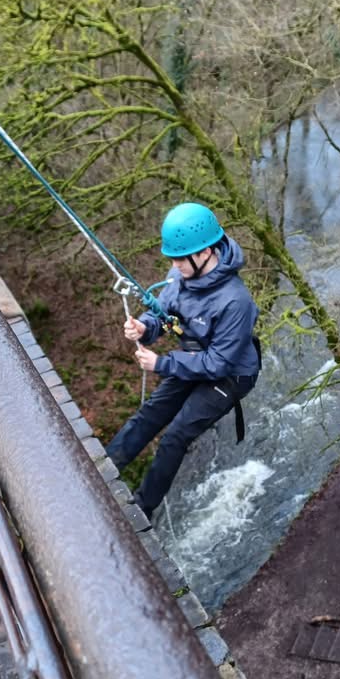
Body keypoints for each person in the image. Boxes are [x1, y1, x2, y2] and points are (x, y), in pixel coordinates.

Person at [106, 202, 261, 520]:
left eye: (179, 258)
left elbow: (218, 364)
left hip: (230, 374)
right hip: (191, 357)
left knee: (176, 435)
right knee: (150, 414)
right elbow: (163, 315)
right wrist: (144, 327)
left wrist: (162, 364)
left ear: (205, 252)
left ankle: (142, 509)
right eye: (172, 258)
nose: (174, 265)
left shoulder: (235, 301)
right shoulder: (179, 275)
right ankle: (103, 472)